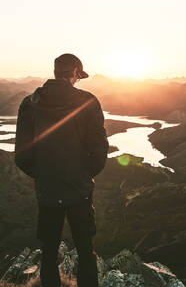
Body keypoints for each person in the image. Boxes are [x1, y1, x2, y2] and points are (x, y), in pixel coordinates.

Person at [14, 53, 109, 287]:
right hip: (80, 191)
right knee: (86, 250)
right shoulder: (88, 102)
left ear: (56, 72)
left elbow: (22, 155)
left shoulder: (29, 104)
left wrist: (44, 173)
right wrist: (84, 174)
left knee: (48, 251)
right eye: (79, 75)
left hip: (47, 190)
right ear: (75, 73)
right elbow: (99, 150)